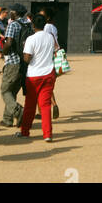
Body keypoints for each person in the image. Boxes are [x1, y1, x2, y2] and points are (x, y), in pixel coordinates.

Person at [16, 13, 58, 141]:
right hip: (48, 72)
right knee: (45, 105)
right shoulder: (50, 37)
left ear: (33, 25)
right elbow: (56, 50)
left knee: (30, 105)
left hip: (34, 74)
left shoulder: (31, 39)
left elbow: (27, 59)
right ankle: (47, 134)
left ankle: (25, 131)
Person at [0, 3, 29, 127]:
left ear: (15, 13)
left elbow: (9, 42)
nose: (10, 12)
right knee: (13, 91)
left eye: (12, 10)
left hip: (13, 61)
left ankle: (18, 111)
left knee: (5, 90)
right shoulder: (28, 25)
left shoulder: (13, 25)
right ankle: (7, 119)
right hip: (24, 62)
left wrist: (3, 51)